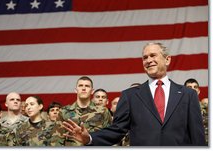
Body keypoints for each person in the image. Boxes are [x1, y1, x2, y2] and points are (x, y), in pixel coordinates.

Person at [63, 42, 206, 146]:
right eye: (145, 58)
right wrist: (89, 138)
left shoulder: (187, 95)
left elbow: (197, 136)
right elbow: (117, 130)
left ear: (167, 59)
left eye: (153, 56)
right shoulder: (130, 96)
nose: (149, 60)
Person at [51, 76, 112, 146]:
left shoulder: (103, 111)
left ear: (92, 91)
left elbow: (109, 137)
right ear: (76, 90)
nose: (83, 88)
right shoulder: (64, 111)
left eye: (87, 86)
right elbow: (56, 139)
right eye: (80, 86)